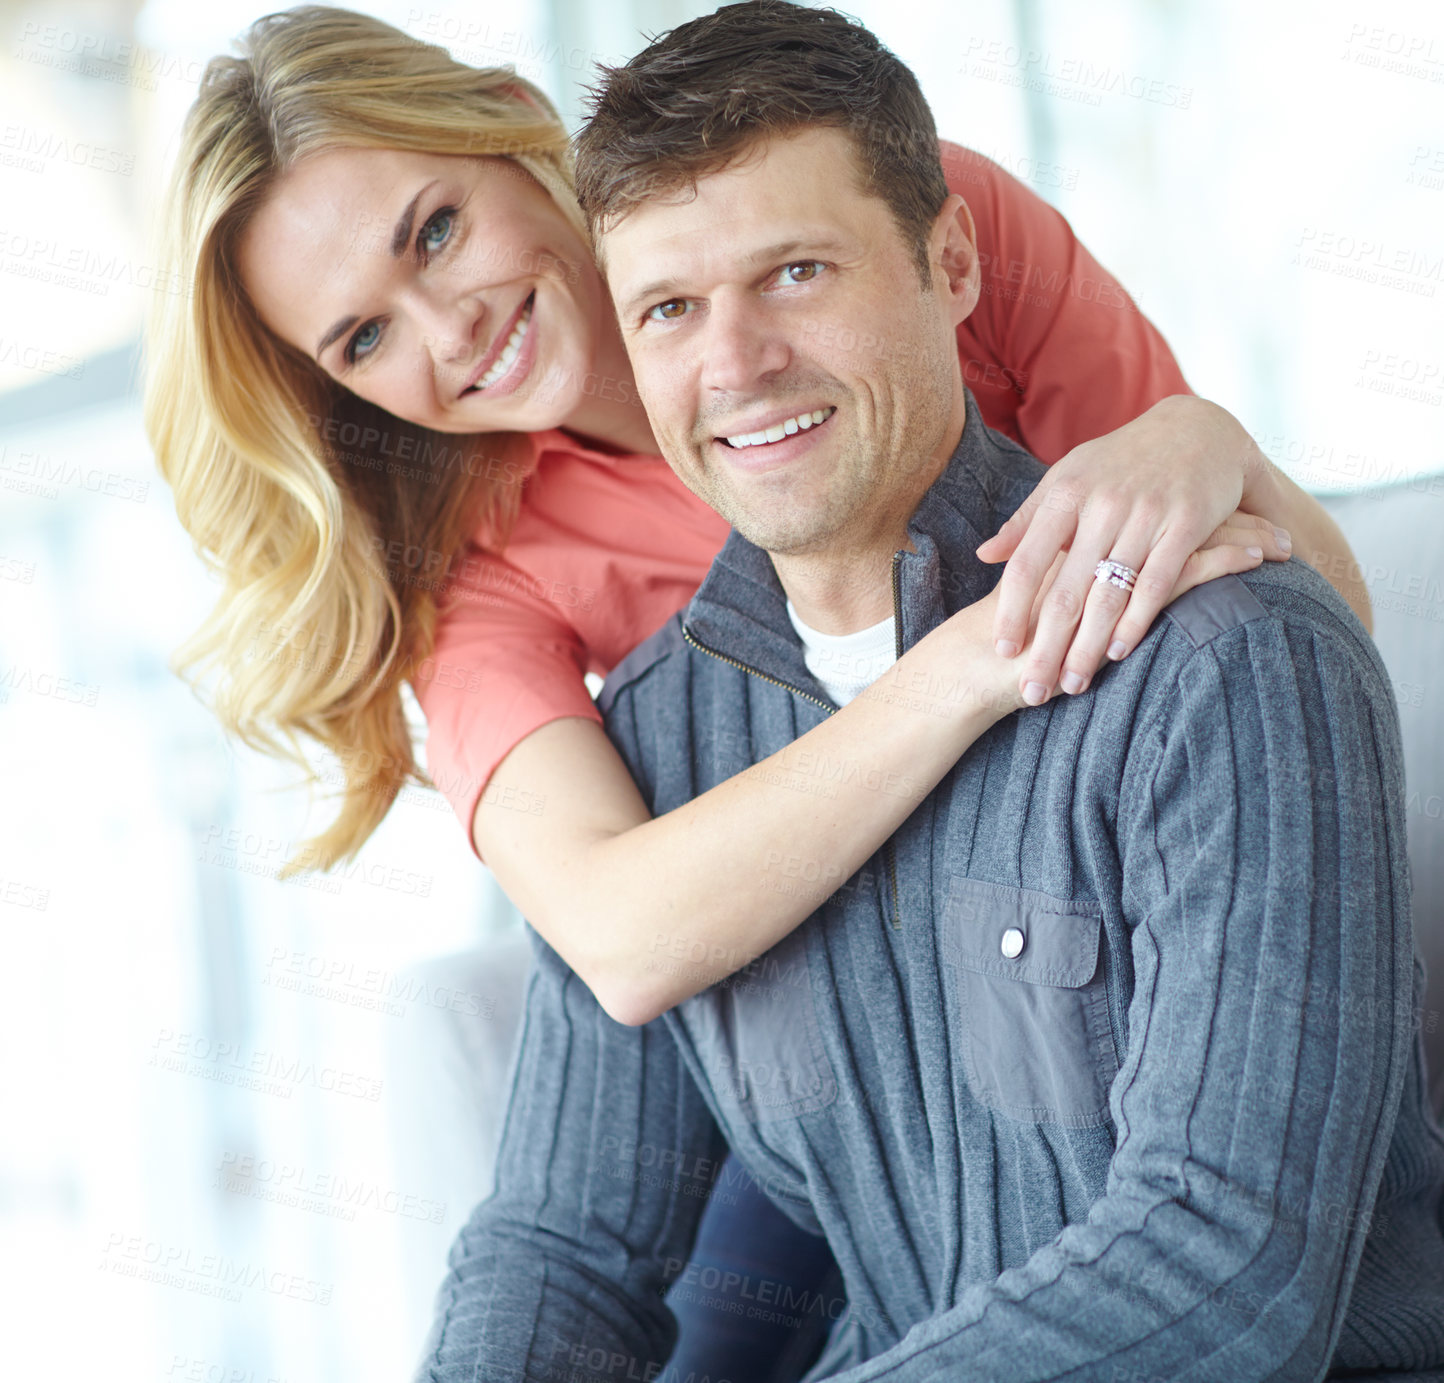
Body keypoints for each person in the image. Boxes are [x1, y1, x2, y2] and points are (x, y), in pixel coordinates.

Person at [414, 3, 1444, 1380]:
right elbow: (561, 1241)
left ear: (950, 261)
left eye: (794, 272)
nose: (734, 361)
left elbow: (1226, 1256)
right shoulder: (660, 739)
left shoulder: (1224, 649)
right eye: (670, 307)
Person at [148, 4, 1364, 1036]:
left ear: (511, 122)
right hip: (845, 991)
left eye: (436, 231)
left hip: (1130, 874)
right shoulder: (481, 572)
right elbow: (619, 940)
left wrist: (1209, 444)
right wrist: (961, 669)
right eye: (364, 337)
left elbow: (1314, 638)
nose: (448, 328)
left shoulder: (886, 226)